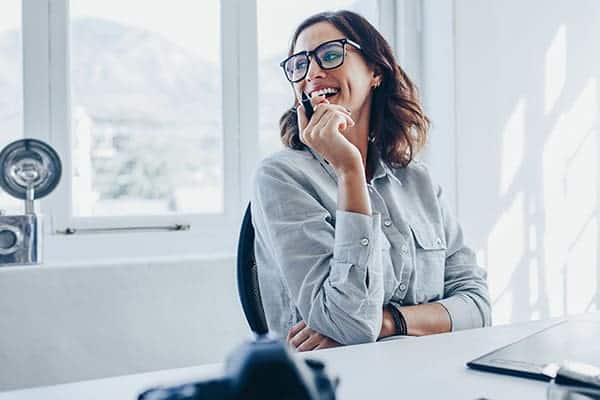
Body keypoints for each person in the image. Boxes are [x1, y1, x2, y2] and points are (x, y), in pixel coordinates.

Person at [251, 10, 491, 352]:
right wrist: (348, 170)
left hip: (426, 373)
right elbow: (350, 325)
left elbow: (478, 306)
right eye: (299, 65)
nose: (313, 73)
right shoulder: (280, 177)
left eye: (331, 55)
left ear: (375, 71)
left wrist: (387, 322)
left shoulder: (418, 181)